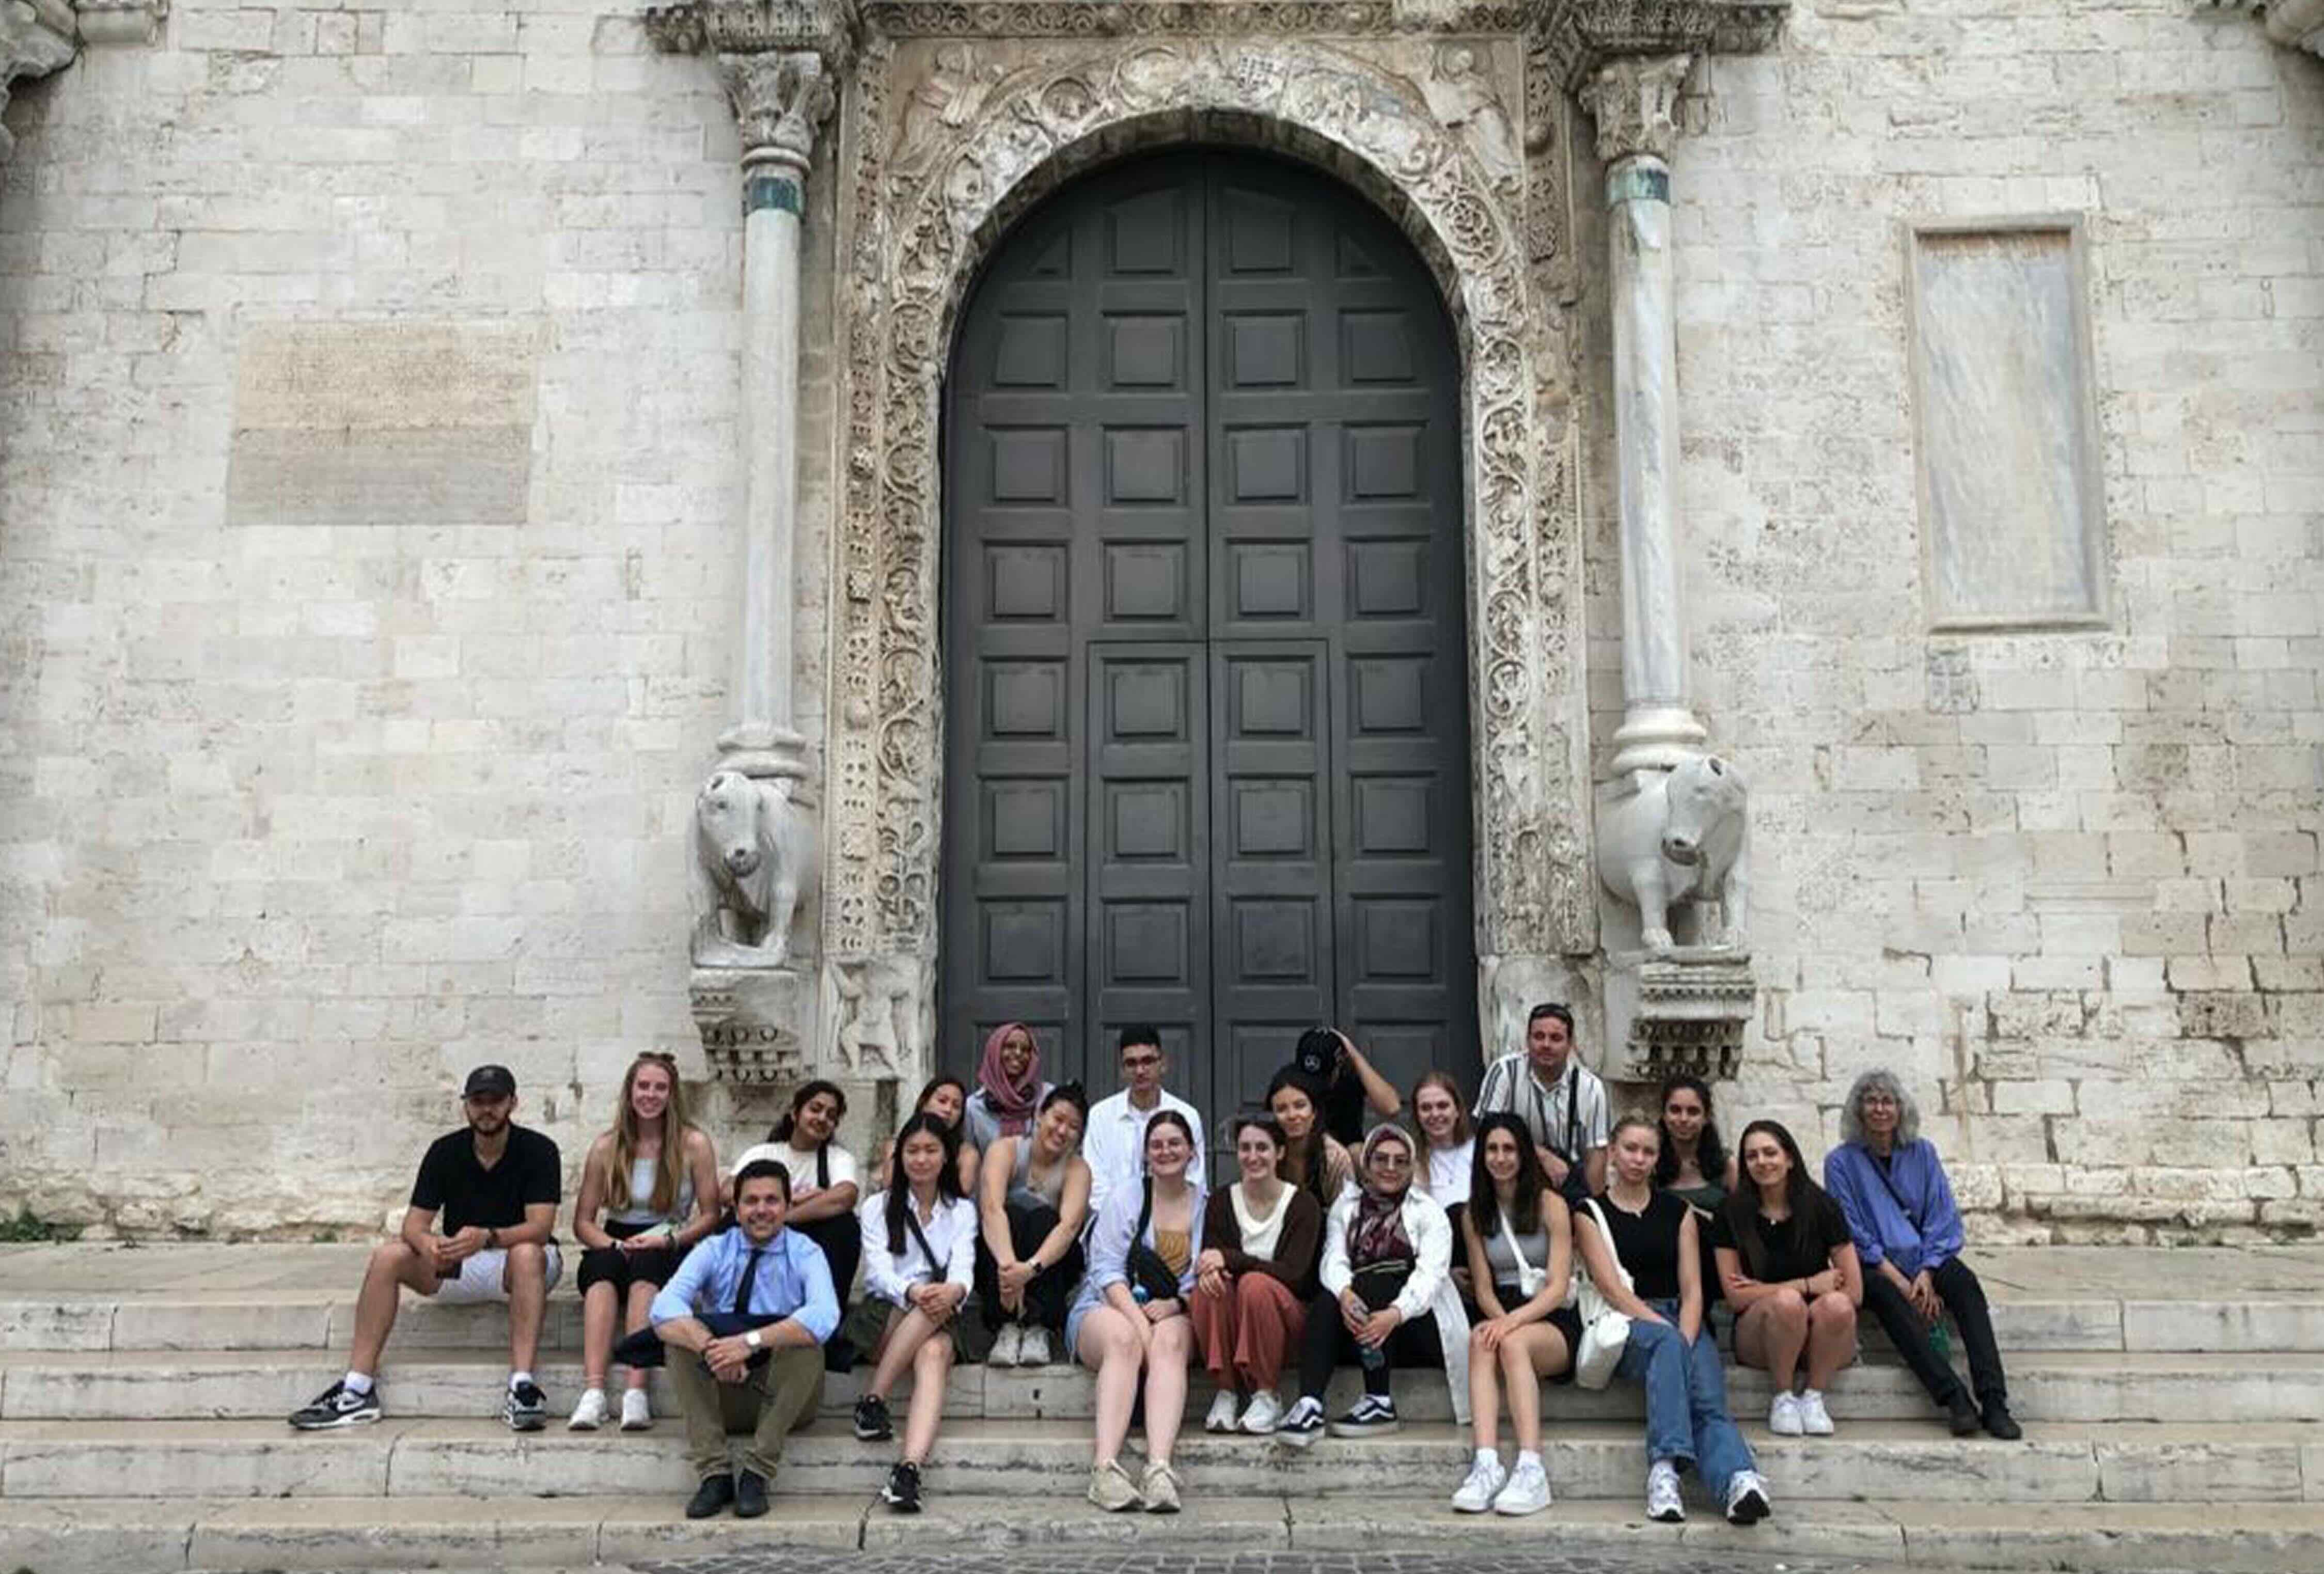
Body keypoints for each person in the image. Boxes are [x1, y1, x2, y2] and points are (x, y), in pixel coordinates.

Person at [289, 1064, 562, 1432]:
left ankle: (522, 1387)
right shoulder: (445, 1151)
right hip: (461, 1261)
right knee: (389, 1256)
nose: (487, 1110)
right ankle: (357, 1390)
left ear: (513, 1103)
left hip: (521, 1263)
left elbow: (541, 1228)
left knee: (528, 1252)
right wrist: (429, 1243)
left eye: (496, 1101)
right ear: (466, 1106)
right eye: (478, 1101)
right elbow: (414, 1224)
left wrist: (489, 1237)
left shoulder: (539, 1150)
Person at [1574, 1115, 1772, 1526]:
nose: (1638, 1159)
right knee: (1672, 1351)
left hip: (1682, 1314)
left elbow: (1693, 1287)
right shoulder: (1590, 1213)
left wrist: (1685, 1331)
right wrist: (1669, 1336)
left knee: (1709, 1401)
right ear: (1612, 1152)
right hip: (1628, 1321)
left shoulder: (1678, 1211)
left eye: (1648, 1152)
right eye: (1630, 1149)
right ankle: (1664, 1470)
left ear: (1657, 1158)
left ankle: (1739, 1481)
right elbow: (1612, 1289)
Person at [1824, 1067, 2021, 1440]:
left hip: (1924, 1258)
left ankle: (1994, 1400)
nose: (1880, 1109)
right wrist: (1898, 1279)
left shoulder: (1923, 1153)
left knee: (1964, 1284)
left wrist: (1928, 1271)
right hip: (1873, 1263)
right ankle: (1954, 1398)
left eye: (1888, 1101)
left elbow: (1941, 1213)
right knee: (1886, 1297)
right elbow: (1849, 1227)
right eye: (1871, 1101)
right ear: (1858, 1109)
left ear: (1901, 1109)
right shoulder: (1841, 1163)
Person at [650, 1158, 839, 1520]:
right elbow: (664, 1308)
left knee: (806, 1341)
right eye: (751, 1201)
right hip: (723, 1389)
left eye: (772, 1201)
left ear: (787, 1207)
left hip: (783, 1397)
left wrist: (749, 1342)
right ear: (735, 1209)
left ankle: (757, 1473)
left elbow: (824, 1316)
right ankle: (715, 1473)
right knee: (676, 1337)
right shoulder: (713, 1249)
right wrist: (713, 1350)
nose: (762, 1210)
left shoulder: (807, 1253)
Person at [1274, 1124, 1469, 1446]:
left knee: (1377, 1280)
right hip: (1363, 1328)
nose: (1390, 1169)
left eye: (1400, 1161)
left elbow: (1430, 1277)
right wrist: (1345, 1295)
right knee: (1329, 1298)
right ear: (1366, 1163)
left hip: (1414, 1326)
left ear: (1410, 1167)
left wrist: (1394, 1314)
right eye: (1381, 1159)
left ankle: (1379, 1399)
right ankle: (1309, 1403)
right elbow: (1333, 1259)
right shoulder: (1347, 1207)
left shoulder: (1428, 1212)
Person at [568, 1052, 721, 1431]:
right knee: (601, 1270)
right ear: (630, 1092)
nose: (650, 1095)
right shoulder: (607, 1147)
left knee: (647, 1273)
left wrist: (671, 1240)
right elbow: (583, 1221)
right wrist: (613, 1245)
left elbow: (710, 1215)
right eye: (643, 1086)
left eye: (660, 1088)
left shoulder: (694, 1144)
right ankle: (595, 1392)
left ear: (672, 1095)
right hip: (617, 1236)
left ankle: (637, 1390)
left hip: (669, 1237)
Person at [1067, 1109, 1204, 1513]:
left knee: (1172, 1340)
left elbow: (1202, 1276)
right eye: (1157, 1145)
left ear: (1192, 1152)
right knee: (1126, 1341)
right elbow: (1106, 1270)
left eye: (1175, 1144)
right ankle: (1104, 1470)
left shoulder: (1206, 1205)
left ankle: (1159, 1469)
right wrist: (1140, 1325)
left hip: (1174, 1310)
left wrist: (1177, 1304)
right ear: (1145, 1153)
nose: (1166, 1152)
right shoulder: (1126, 1196)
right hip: (1108, 1303)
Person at [1451, 1113, 1577, 1516]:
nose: (1501, 1158)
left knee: (1512, 1340)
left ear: (1523, 1154)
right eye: (1492, 1149)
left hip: (1551, 1315)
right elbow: (1484, 1288)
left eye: (1509, 1149)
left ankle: (1531, 1467)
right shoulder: (1474, 1214)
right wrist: (1499, 1320)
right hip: (1502, 1306)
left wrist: (1512, 1322)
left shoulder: (1551, 1205)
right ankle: (1486, 1463)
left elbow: (1558, 1286)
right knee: (1480, 1339)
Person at [851, 1113, 978, 1513]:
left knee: (936, 1352)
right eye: (913, 1151)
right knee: (928, 1310)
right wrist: (914, 1290)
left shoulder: (962, 1211)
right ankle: (874, 1400)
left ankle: (907, 1468)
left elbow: (964, 1266)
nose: (921, 1159)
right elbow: (879, 1271)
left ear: (946, 1158)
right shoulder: (877, 1207)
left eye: (931, 1151)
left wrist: (954, 1290)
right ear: (901, 1157)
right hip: (884, 1316)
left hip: (940, 1313)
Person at [1713, 1119, 1862, 1438]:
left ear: (1790, 1158)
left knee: (1836, 1304)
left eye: (1770, 1153)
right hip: (1762, 1333)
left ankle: (1814, 1396)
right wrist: (1807, 1286)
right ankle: (1782, 1397)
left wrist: (1769, 1292)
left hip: (1822, 1334)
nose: (1762, 1162)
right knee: (1787, 1303)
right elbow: (1736, 1296)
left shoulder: (1822, 1206)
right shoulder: (1731, 1211)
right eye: (1752, 1156)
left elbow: (1854, 1290)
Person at [1193, 1112, 1323, 1437]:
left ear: (1280, 1152)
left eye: (1262, 1148)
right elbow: (1213, 1260)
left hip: (1285, 1322)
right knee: (1209, 1287)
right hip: (1235, 1320)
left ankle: (1267, 1394)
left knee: (1255, 1284)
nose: (1253, 1157)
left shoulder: (1303, 1205)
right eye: (1245, 1148)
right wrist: (1214, 1269)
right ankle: (1226, 1392)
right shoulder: (1222, 1201)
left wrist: (1231, 1258)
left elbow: (1296, 1275)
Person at [730, 1079, 860, 1366]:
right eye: (816, 1109)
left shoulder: (838, 1158)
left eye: (831, 1115)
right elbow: (728, 1192)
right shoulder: (764, 1154)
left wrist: (783, 1216)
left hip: (809, 1246)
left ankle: (824, 1327)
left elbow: (844, 1197)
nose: (822, 1118)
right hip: (761, 1241)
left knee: (844, 1226)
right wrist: (799, 1201)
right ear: (795, 1112)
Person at [976, 1082, 1092, 1367]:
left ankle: (1039, 1327)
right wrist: (1009, 1271)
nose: (1063, 1131)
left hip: (1047, 1267)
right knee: (1012, 1214)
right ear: (1040, 1115)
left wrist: (1028, 1271)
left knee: (1044, 1220)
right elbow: (991, 1209)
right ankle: (1007, 1327)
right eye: (1058, 1119)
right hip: (1002, 1259)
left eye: (1073, 1126)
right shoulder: (1006, 1150)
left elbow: (1069, 1227)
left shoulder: (1077, 1169)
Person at [1472, 1002, 1610, 1198]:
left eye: (1556, 1038)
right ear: (1527, 1040)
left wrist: (1592, 1209)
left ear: (1570, 1044)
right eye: (1539, 1037)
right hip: (1510, 1181)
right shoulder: (1505, 1072)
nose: (1546, 1045)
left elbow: (1596, 1153)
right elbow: (1486, 1130)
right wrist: (1542, 1157)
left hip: (1566, 1185)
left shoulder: (1590, 1087)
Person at [1082, 1026, 1206, 1218]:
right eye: (1131, 1063)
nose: (1140, 1070)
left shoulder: (1187, 1116)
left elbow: (1194, 1181)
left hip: (1173, 1222)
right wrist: (1121, 1220)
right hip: (1109, 1222)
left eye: (1148, 1061)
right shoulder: (1101, 1116)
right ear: (1122, 1070)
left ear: (1163, 1063)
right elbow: (1094, 1183)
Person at [1654, 1074, 1730, 1311]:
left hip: (1714, 1270)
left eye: (1693, 1111)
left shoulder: (1726, 1166)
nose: (1683, 1119)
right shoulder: (1649, 1163)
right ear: (1664, 1115)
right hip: (1665, 1267)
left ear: (1706, 1117)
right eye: (1675, 1110)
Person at [1289, 1025, 1403, 1146]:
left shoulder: (1349, 1080)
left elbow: (1392, 1108)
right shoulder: (1289, 1082)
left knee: (1357, 1151)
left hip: (1347, 1148)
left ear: (1340, 1064)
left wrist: (1353, 1054)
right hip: (1305, 1146)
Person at [869, 1074, 981, 1196]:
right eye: (942, 1101)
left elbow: (962, 1193)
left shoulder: (967, 1154)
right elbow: (890, 1185)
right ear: (924, 1102)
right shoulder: (895, 1146)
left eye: (956, 1106)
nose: (948, 1110)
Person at [1267, 1066, 1352, 1209]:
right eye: (1282, 1109)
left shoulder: (1335, 1157)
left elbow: (1345, 1216)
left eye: (1300, 1106)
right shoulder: (1264, 1152)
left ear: (1314, 1112)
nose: (1292, 1116)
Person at [963, 1020, 1054, 1152]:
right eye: (1010, 1046)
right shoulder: (974, 1107)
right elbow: (969, 1157)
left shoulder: (1048, 1097)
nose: (1018, 1053)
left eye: (1026, 1049)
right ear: (994, 1052)